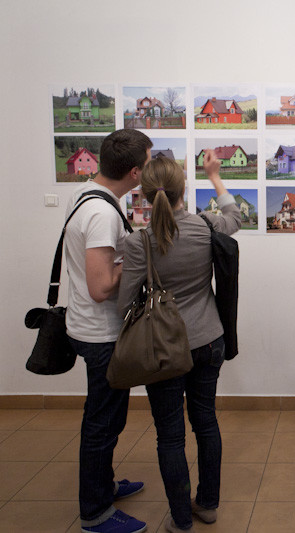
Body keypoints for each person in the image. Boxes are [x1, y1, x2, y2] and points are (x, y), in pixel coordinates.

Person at [118, 152, 241, 532]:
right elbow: (235, 216)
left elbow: (125, 302)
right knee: (206, 423)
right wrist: (215, 176)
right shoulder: (206, 227)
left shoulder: (140, 242)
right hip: (209, 340)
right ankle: (208, 504)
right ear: (182, 190)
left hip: (163, 350)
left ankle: (181, 519)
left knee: (170, 434)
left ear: (143, 194)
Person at [64, 129, 152, 533]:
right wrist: (138, 255)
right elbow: (101, 287)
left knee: (107, 419)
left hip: (95, 329)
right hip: (100, 334)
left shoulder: (91, 195)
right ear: (135, 172)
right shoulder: (100, 213)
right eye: (148, 163)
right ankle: (96, 512)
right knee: (102, 423)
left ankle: (105, 485)